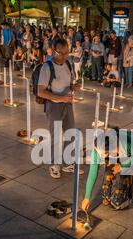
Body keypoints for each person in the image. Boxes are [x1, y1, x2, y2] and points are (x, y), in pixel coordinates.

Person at [37, 38, 80, 179]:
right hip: (54, 105)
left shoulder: (68, 63)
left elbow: (69, 81)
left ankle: (68, 163)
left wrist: (73, 87)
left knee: (70, 132)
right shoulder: (47, 67)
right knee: (55, 136)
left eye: (67, 52)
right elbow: (40, 91)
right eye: (62, 53)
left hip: (67, 104)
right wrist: (60, 98)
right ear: (54, 51)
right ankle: (54, 165)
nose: (65, 56)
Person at [81, 129, 133, 212]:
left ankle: (121, 200)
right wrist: (87, 198)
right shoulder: (98, 148)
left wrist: (122, 166)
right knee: (110, 171)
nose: (102, 156)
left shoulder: (128, 143)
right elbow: (92, 173)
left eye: (105, 153)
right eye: (100, 153)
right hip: (114, 151)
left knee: (121, 176)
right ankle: (107, 195)